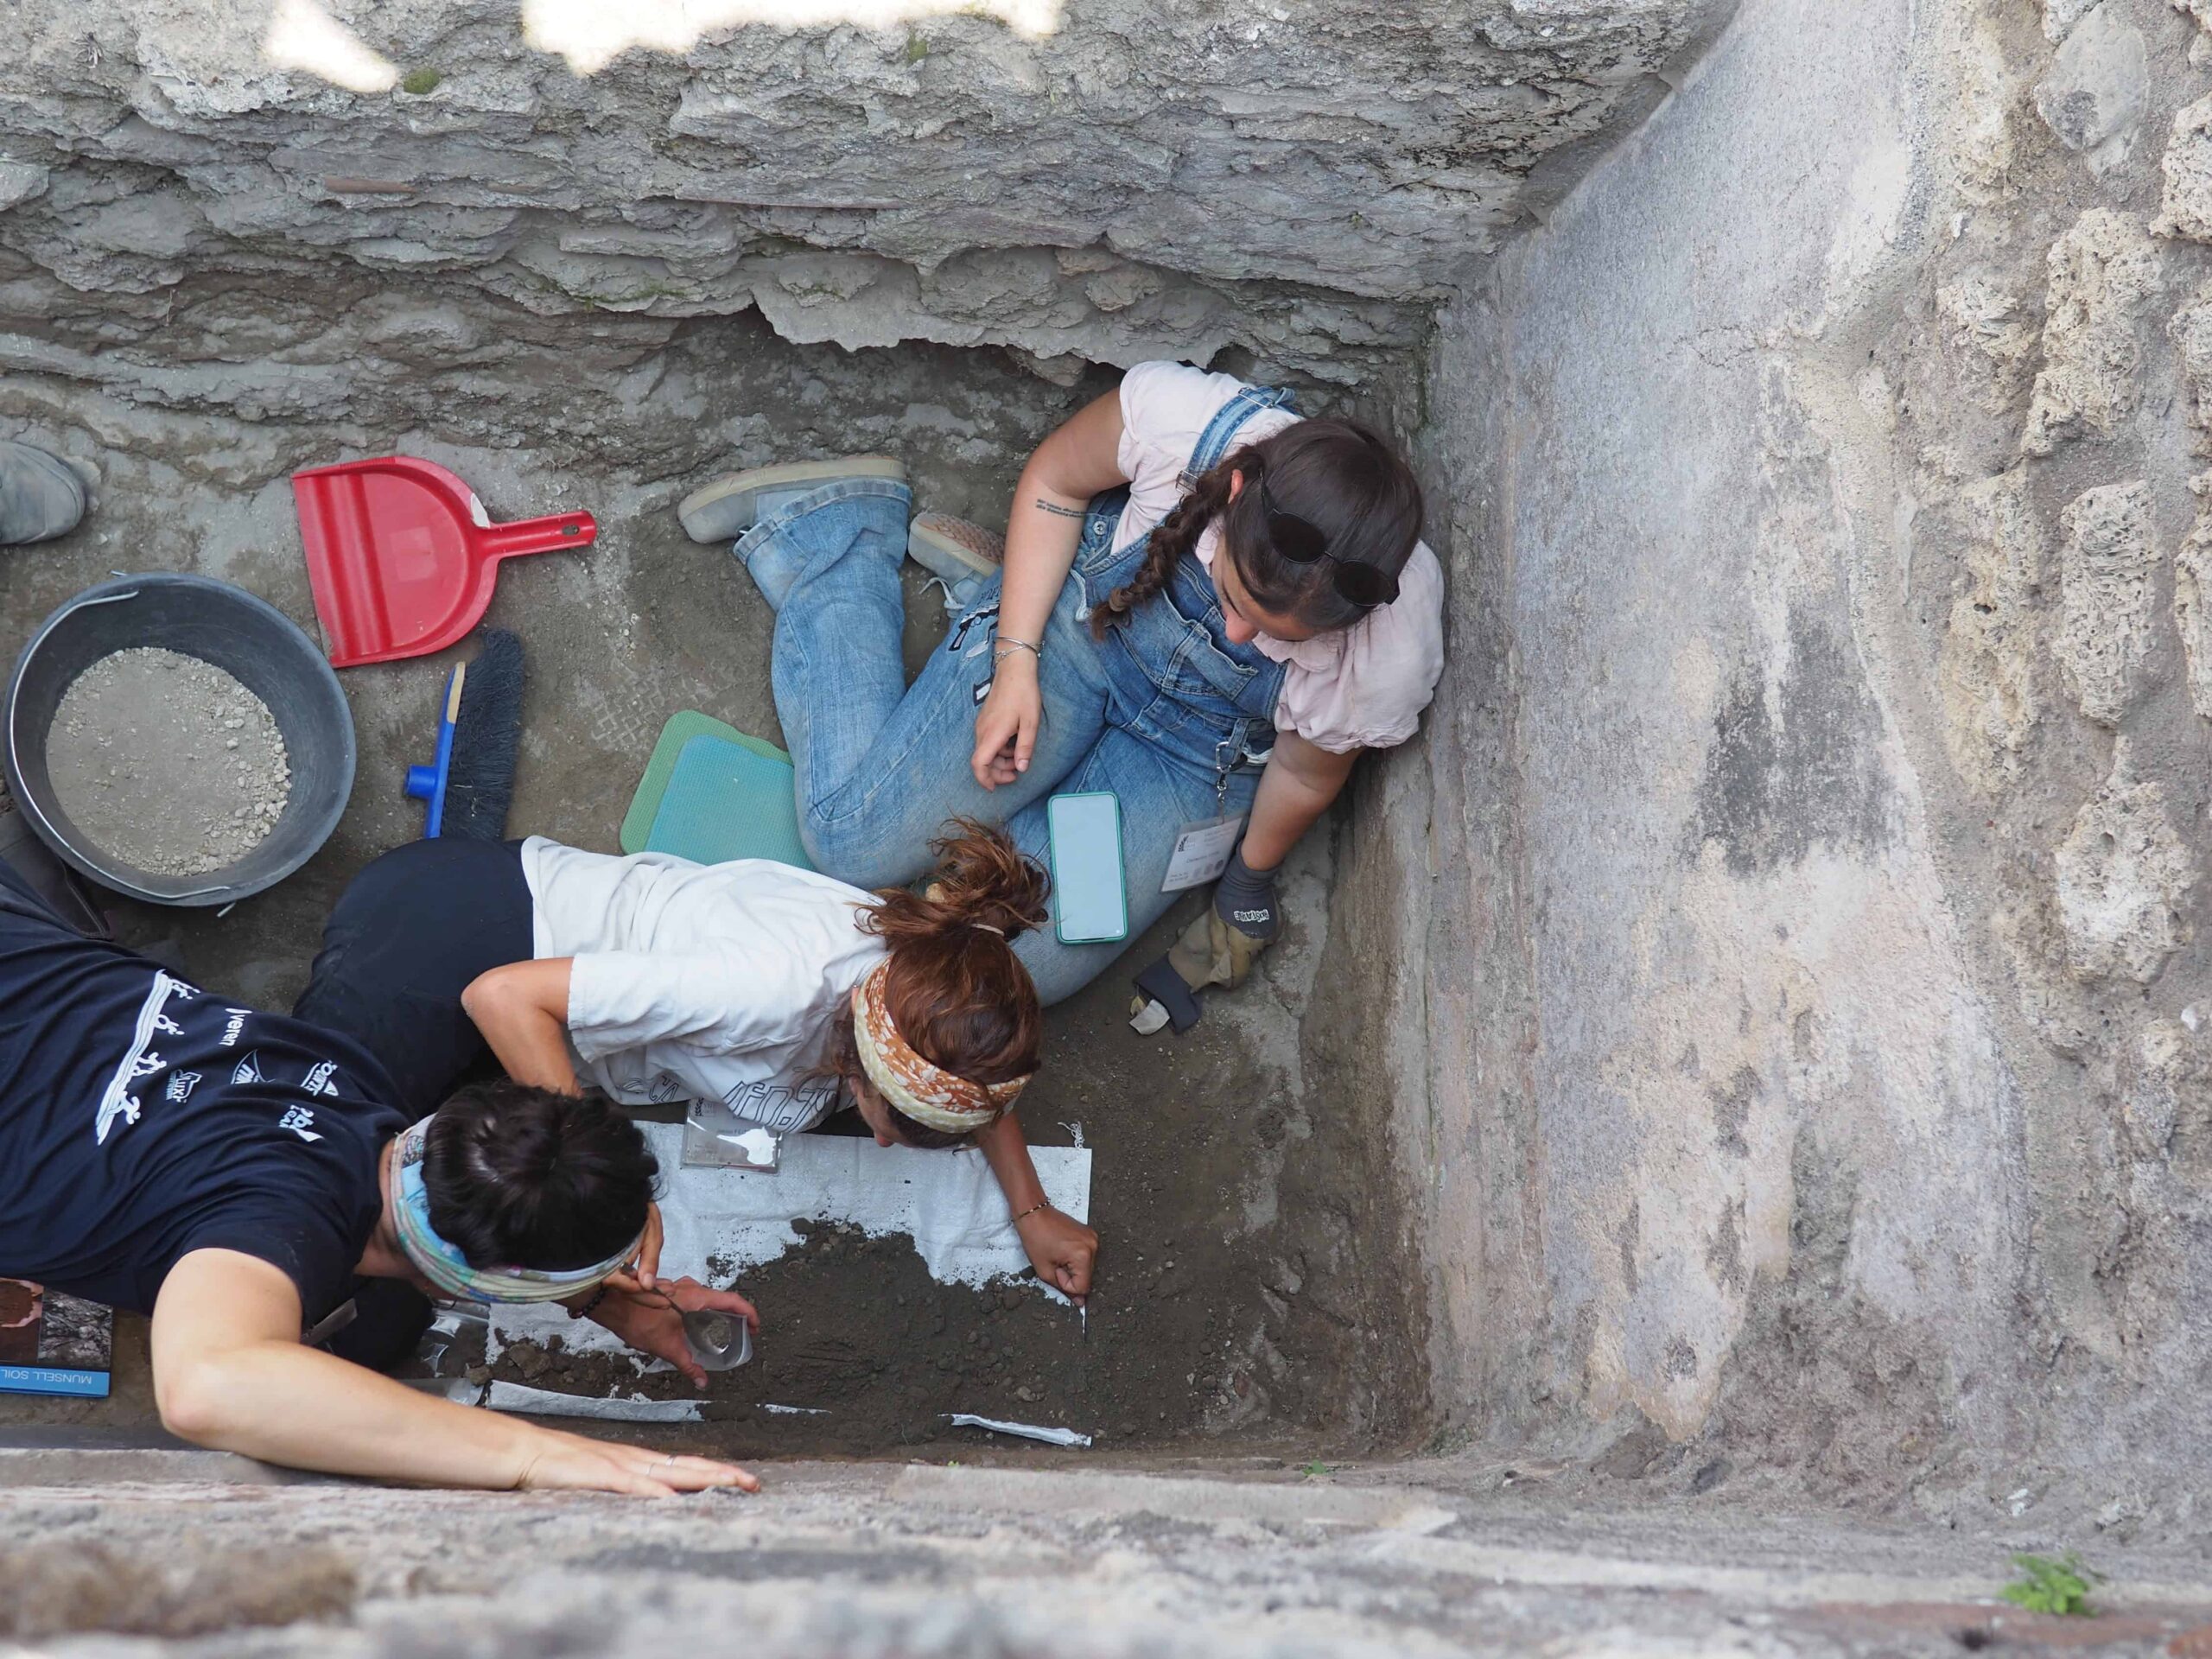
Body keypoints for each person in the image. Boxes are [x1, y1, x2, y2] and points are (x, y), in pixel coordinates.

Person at [674, 359, 1443, 1025]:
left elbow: (1306, 772)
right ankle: (835, 535)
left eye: (1282, 634)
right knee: (852, 844)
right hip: (1083, 637)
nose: (1240, 638)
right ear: (1235, 491)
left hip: (1190, 757)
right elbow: (1054, 483)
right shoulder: (1185, 424)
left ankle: (983, 593)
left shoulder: (1387, 650)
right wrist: (1015, 664)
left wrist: (1246, 880)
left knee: (995, 975)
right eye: (1235, 598)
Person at [0, 858, 760, 1494]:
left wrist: (592, 1292)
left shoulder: (348, 1077)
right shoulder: (276, 1222)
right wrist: (532, 1453)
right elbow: (207, 1384)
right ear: (488, 1278)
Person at [340, 817, 1099, 1300]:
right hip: (461, 939)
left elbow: (968, 1077)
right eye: (891, 1122)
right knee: (340, 1187)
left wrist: (1031, 1210)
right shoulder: (765, 991)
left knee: (439, 1218)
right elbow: (502, 999)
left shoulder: (934, 988)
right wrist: (610, 1191)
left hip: (543, 1012)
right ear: (867, 1056)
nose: (880, 1141)